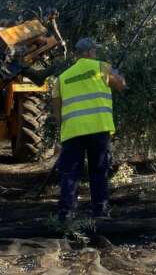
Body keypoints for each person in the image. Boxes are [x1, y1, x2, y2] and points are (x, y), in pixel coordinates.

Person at [53, 37, 126, 222]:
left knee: (70, 173)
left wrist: (63, 131)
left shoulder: (61, 78)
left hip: (72, 132)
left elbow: (57, 111)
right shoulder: (102, 67)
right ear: (88, 53)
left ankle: (66, 214)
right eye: (94, 51)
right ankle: (100, 213)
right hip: (98, 129)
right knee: (98, 171)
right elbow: (121, 86)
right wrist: (117, 74)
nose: (95, 53)